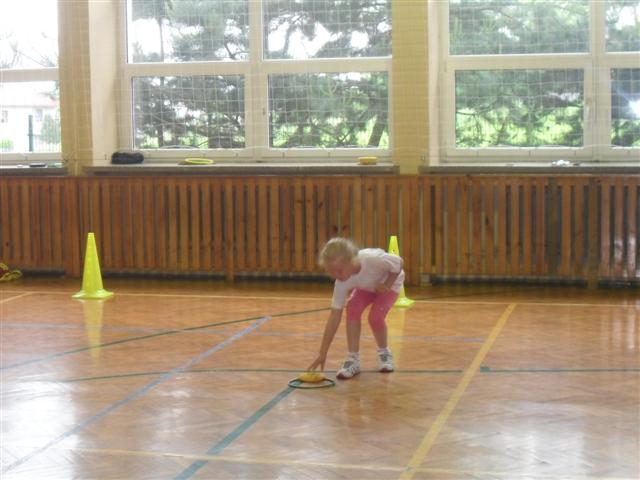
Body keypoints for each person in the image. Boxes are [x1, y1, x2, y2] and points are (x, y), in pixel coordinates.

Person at [307, 237, 405, 379]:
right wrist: (322, 354)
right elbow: (334, 317)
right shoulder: (341, 282)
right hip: (366, 287)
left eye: (339, 271)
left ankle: (384, 353)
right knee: (352, 307)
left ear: (352, 261)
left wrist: (387, 285)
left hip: (390, 286)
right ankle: (353, 359)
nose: (336, 276)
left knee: (375, 317)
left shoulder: (372, 259)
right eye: (331, 272)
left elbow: (399, 262)